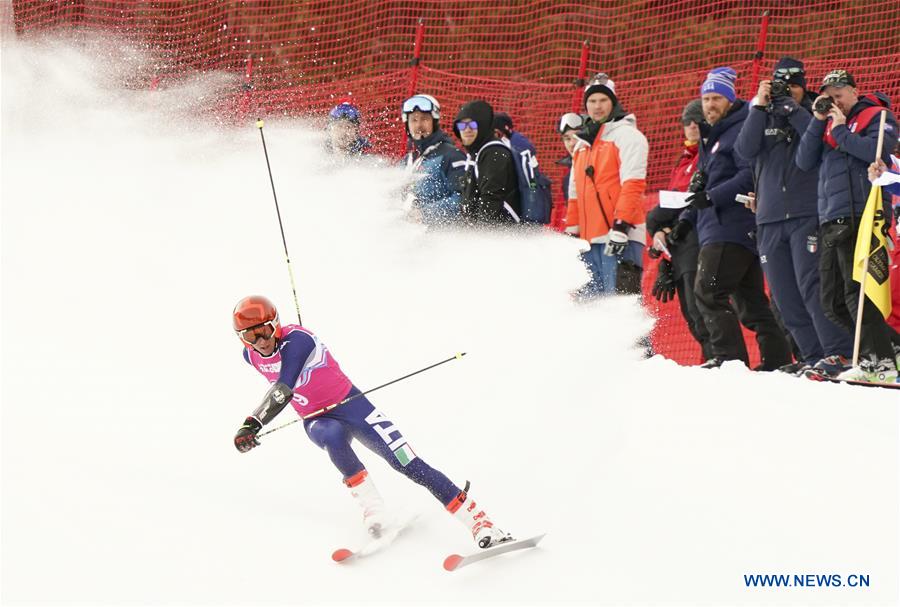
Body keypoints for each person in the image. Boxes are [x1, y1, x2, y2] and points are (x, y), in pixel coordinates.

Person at [231, 295, 512, 548]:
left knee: (407, 463)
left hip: (354, 406)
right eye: (250, 336)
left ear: (276, 325)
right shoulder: (250, 356)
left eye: (264, 331)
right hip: (315, 419)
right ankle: (373, 507)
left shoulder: (298, 340)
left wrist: (252, 423)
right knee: (331, 436)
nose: (261, 341)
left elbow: (284, 387)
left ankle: (481, 522)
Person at [734, 57, 854, 377]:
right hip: (769, 219)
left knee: (813, 287)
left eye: (795, 85)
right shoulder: (762, 113)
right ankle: (812, 355)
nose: (788, 91)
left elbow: (819, 142)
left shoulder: (817, 109)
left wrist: (793, 109)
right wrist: (759, 106)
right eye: (781, 86)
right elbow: (744, 151)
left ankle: (838, 353)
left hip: (808, 212)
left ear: (804, 85)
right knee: (785, 296)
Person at [679, 66, 792, 370]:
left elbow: (748, 175)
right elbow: (705, 184)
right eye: (706, 99)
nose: (710, 105)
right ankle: (777, 361)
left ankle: (729, 360)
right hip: (722, 229)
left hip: (730, 229)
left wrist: (712, 196)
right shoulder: (714, 135)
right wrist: (685, 220)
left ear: (730, 100)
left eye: (717, 98)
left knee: (708, 292)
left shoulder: (738, 129)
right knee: (751, 304)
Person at [796, 69, 899, 383]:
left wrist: (841, 130)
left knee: (857, 293)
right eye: (829, 94)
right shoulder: (827, 124)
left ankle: (878, 362)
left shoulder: (876, 115)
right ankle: (892, 350)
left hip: (862, 214)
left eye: (839, 93)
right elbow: (803, 160)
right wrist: (817, 120)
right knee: (832, 301)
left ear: (855, 91)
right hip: (830, 215)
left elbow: (877, 153)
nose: (835, 99)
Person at [566, 73, 648, 297]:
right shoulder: (582, 146)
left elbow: (633, 184)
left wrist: (621, 226)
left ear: (613, 102)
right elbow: (574, 194)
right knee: (589, 308)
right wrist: (572, 232)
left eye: (603, 100)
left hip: (621, 236)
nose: (597, 106)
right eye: (592, 101)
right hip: (589, 240)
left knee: (622, 308)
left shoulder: (628, 136)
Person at [647, 99, 712, 361]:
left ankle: (719, 364)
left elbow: (686, 200)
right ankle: (710, 363)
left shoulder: (707, 156)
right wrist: (664, 250)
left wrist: (659, 220)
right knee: (692, 317)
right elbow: (671, 204)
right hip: (679, 243)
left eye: (697, 121)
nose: (692, 126)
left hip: (699, 236)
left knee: (703, 312)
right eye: (687, 122)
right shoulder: (682, 160)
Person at [400, 94, 466, 225]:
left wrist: (425, 214)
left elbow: (462, 199)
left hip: (441, 237)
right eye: (413, 120)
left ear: (434, 122)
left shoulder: (451, 156)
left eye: (424, 119)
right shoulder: (407, 160)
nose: (418, 125)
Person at [453, 100, 521, 223]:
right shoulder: (476, 153)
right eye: (462, 125)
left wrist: (481, 236)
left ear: (482, 124)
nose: (467, 130)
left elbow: (492, 199)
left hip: (503, 236)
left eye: (472, 125)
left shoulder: (494, 152)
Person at [555, 113, 584, 218]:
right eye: (567, 139)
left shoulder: (603, 165)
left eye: (577, 136)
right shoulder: (568, 178)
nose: (572, 143)